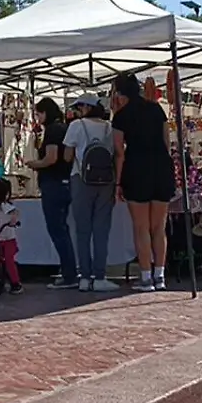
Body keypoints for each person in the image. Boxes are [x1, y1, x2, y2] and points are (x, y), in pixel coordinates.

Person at [111, 73, 176, 292]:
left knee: (141, 228)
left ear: (119, 93)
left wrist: (118, 183)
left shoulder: (120, 117)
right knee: (159, 227)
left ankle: (146, 277)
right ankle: (160, 276)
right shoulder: (156, 109)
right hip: (161, 167)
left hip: (136, 169)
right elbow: (167, 142)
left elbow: (119, 152)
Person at [62, 94, 118, 292]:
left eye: (79, 107)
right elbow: (116, 153)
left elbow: (68, 156)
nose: (77, 111)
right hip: (106, 181)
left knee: (82, 230)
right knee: (101, 230)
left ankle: (85, 277)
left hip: (81, 179)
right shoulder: (108, 127)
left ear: (86, 107)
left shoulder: (76, 126)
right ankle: (100, 276)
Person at [25, 98, 78, 288]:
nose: (37, 118)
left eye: (39, 113)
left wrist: (33, 164)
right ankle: (69, 270)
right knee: (62, 229)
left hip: (54, 184)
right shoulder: (64, 128)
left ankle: (69, 274)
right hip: (65, 182)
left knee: (57, 230)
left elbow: (51, 158)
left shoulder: (53, 130)